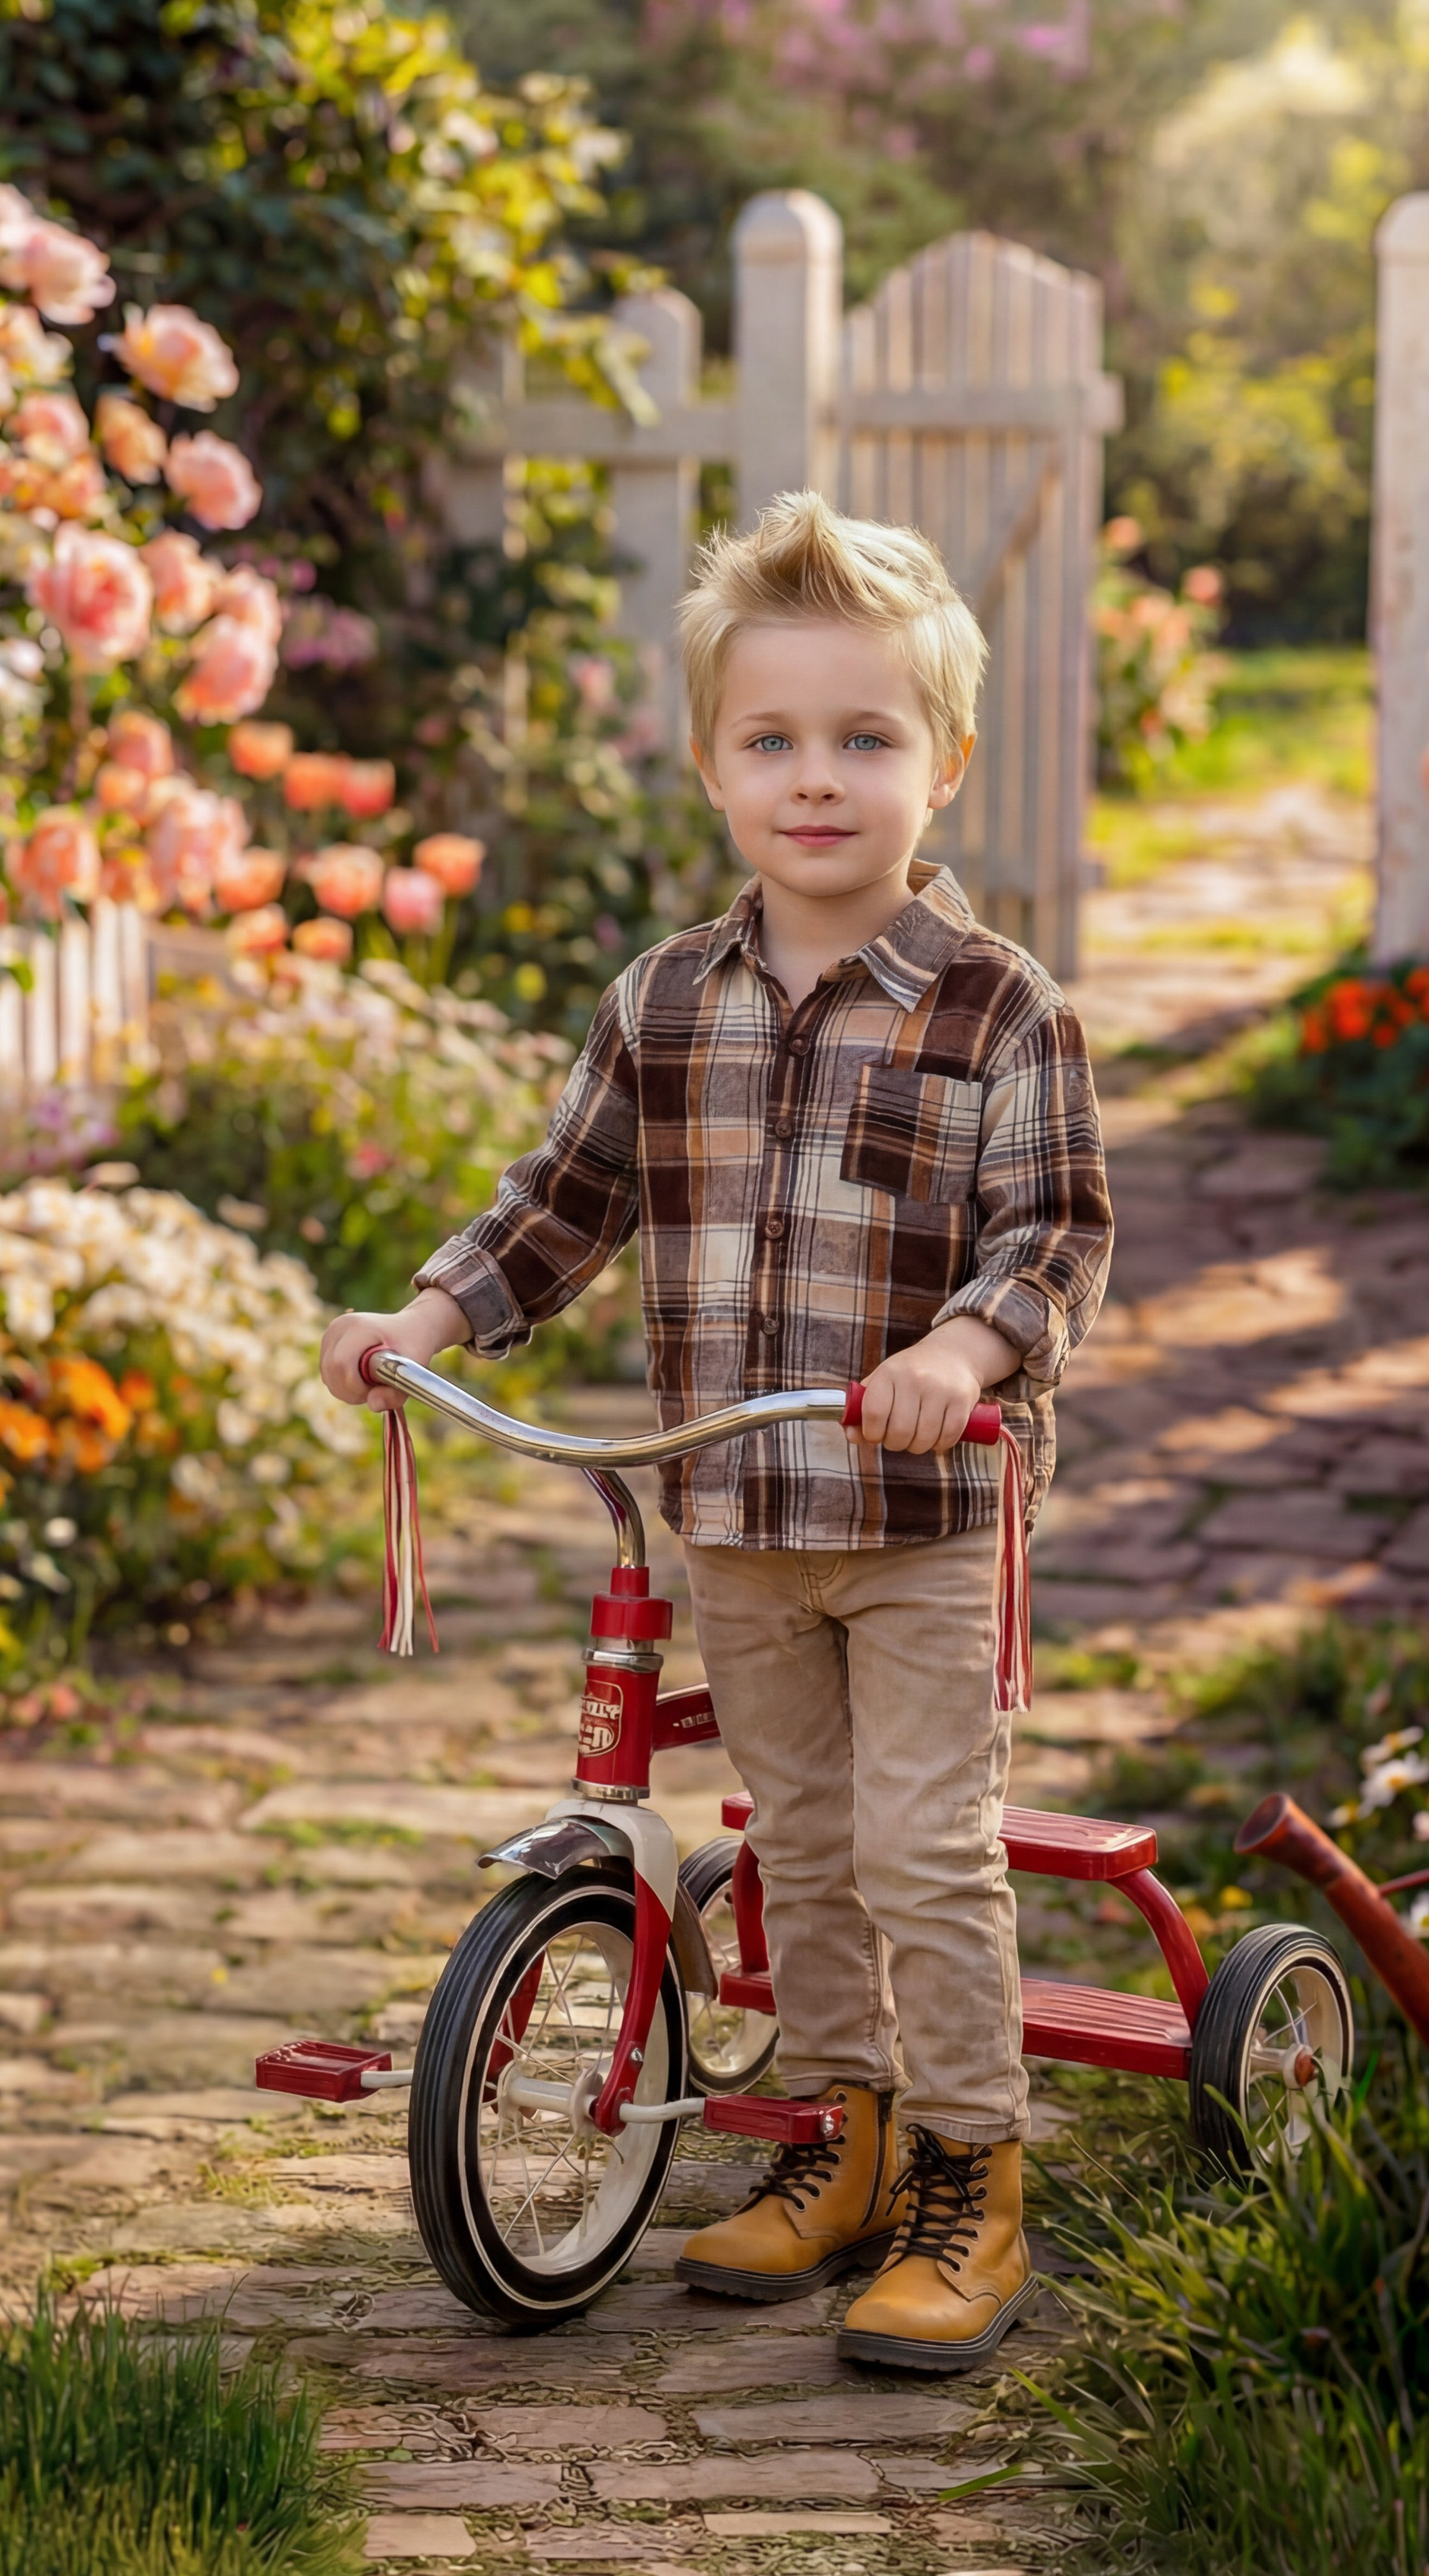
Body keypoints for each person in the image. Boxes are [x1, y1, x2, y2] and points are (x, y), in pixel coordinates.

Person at [321, 491, 1111, 2370]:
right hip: (737, 1502)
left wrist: (969, 1351)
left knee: (924, 1844)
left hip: (920, 1509)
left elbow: (1056, 1232)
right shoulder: (664, 998)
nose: (815, 778)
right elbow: (564, 1194)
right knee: (799, 1848)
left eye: (864, 739)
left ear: (945, 766)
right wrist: (428, 1314)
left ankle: (970, 2173)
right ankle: (833, 2136)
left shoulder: (1001, 1010)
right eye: (771, 740)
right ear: (708, 765)